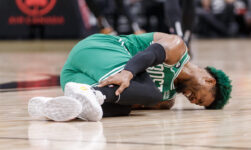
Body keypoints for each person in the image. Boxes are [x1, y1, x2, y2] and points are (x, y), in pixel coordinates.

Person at [28, 32, 232, 122]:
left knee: (119, 110)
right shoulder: (178, 49)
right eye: (201, 98)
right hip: (97, 49)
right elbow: (151, 54)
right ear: (209, 80)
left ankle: (54, 107)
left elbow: (129, 100)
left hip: (73, 76)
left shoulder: (167, 100)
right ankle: (92, 94)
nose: (193, 100)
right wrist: (128, 73)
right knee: (152, 94)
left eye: (197, 104)